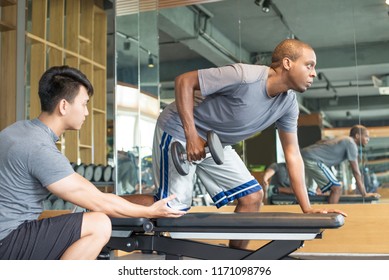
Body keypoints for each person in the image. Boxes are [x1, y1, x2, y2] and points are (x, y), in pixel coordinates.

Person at [126, 38, 347, 249]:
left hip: (215, 142)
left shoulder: (288, 104)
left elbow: (292, 154)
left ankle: (234, 260)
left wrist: (307, 209)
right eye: (309, 65)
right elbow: (184, 81)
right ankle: (99, 204)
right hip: (180, 128)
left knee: (253, 197)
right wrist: (191, 135)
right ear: (288, 64)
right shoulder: (245, 76)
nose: (314, 73)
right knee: (173, 206)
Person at [0, 66, 185, 260]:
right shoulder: (39, 148)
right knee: (98, 223)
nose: (87, 112)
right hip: (6, 241)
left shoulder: (16, 130)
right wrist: (149, 211)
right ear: (64, 106)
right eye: (84, 104)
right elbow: (100, 202)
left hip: (9, 233)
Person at [301, 124, 381, 204]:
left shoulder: (343, 139)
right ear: (357, 136)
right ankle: (331, 215)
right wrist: (364, 194)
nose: (368, 139)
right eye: (366, 136)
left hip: (305, 155)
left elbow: (320, 142)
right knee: (337, 188)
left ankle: (297, 207)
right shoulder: (351, 143)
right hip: (313, 159)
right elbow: (356, 172)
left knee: (309, 191)